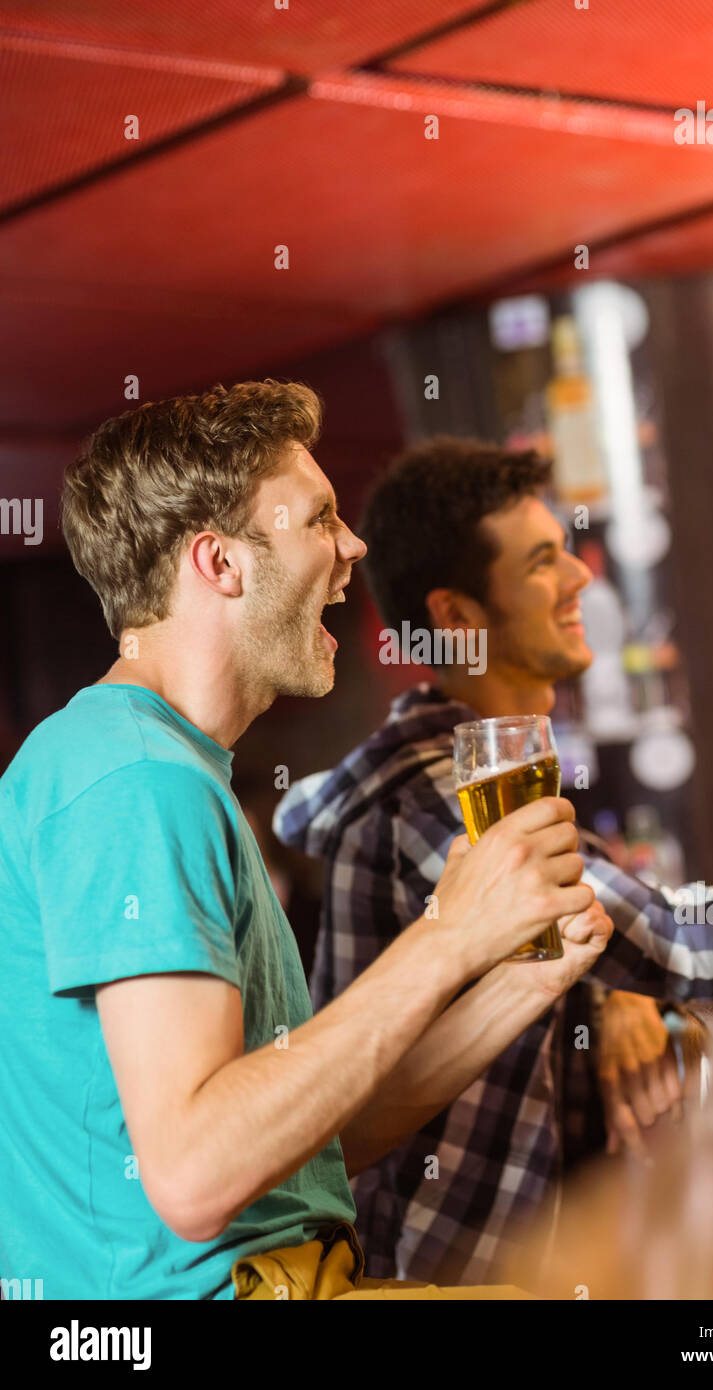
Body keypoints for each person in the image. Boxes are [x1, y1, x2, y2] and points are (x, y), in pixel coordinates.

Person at [0, 380, 613, 1302]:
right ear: (219, 563)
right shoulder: (139, 781)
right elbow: (197, 1174)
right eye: (320, 517)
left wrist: (520, 978)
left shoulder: (159, 764)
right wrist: (448, 935)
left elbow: (312, 1146)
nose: (353, 545)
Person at [274, 436, 713, 1285]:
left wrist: (611, 984)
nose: (583, 577)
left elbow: (588, 936)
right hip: (439, 1267)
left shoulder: (460, 760)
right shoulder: (448, 788)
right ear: (458, 618)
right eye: (544, 561)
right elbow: (682, 942)